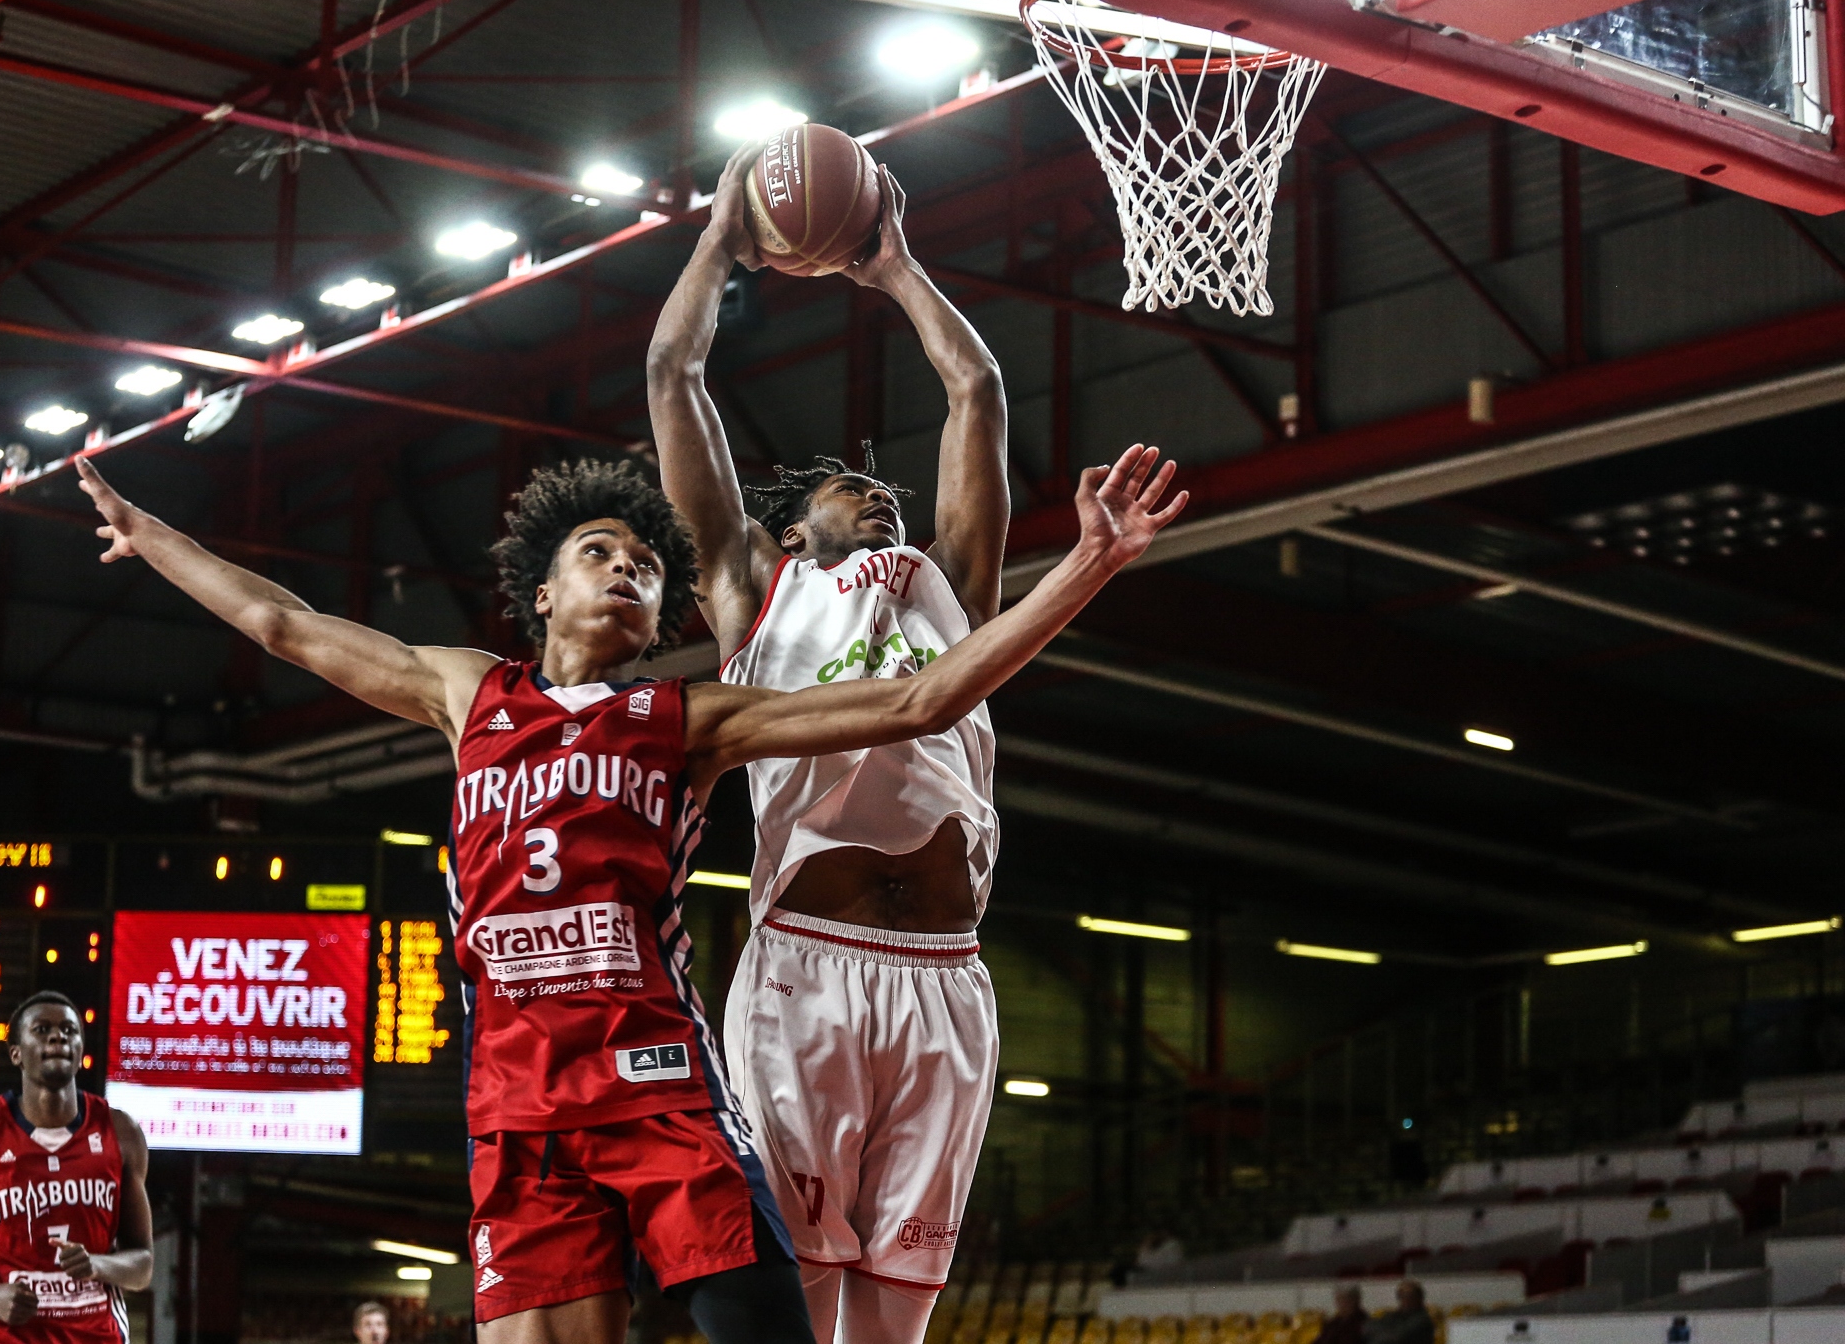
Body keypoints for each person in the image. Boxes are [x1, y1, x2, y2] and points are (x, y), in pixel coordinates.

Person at [75, 443, 1184, 1344]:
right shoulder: (468, 694)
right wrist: (150, 536)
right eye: (598, 553)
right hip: (517, 1104)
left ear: (659, 619)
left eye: (645, 569)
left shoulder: (686, 720)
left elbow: (923, 701)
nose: (625, 570)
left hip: (660, 1092)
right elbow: (283, 625)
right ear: (542, 592)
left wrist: (1087, 564)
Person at [647, 143, 1018, 1340]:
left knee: (893, 1326)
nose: (877, 495)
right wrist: (718, 241)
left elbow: (976, 394)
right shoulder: (750, 589)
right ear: (787, 517)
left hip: (948, 982)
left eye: (882, 487)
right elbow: (671, 374)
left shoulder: (945, 587)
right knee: (795, 1314)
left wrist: (897, 268)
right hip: (806, 969)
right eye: (846, 486)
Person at [0, 992, 153, 1344]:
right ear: (16, 1053)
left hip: (97, 1335)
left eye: (69, 1030)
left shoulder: (121, 1132)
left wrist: (97, 1265)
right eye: (42, 1030)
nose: (58, 1037)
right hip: (9, 1336)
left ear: (80, 1050)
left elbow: (143, 1264)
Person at [1364, 1280, 1432, 1344]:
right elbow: (1368, 1327)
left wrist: (1377, 1335)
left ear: (1419, 1298)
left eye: (1409, 1296)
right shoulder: (1394, 1315)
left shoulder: (1422, 1321)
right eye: (1401, 1296)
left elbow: (1396, 1338)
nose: (1405, 1300)